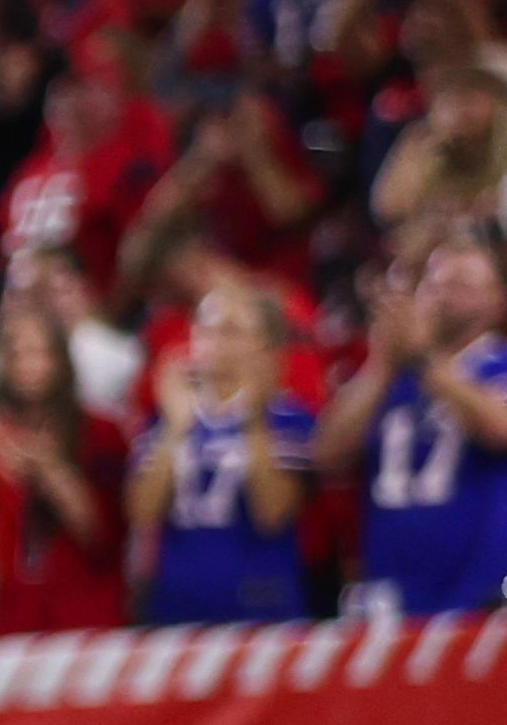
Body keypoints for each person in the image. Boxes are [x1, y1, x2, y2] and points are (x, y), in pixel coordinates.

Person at [335, 227, 507, 620]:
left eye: (461, 284)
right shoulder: (393, 374)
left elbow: (500, 430)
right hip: (390, 592)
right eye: (433, 281)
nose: (441, 293)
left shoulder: (497, 364)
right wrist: (381, 366)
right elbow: (329, 451)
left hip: (478, 589)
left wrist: (427, 360)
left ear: (498, 301)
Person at [135, 273, 320, 626]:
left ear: (266, 345)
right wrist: (175, 428)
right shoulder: (167, 417)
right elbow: (143, 512)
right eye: (205, 327)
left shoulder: (289, 418)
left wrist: (251, 419)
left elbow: (273, 513)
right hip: (178, 604)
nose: (213, 341)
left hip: (261, 604)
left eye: (231, 330)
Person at [0, 295, 136, 637]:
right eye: (16, 353)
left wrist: (50, 471)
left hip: (85, 611)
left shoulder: (101, 432)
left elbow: (102, 534)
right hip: (13, 616)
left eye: (40, 352)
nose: (29, 364)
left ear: (61, 359)